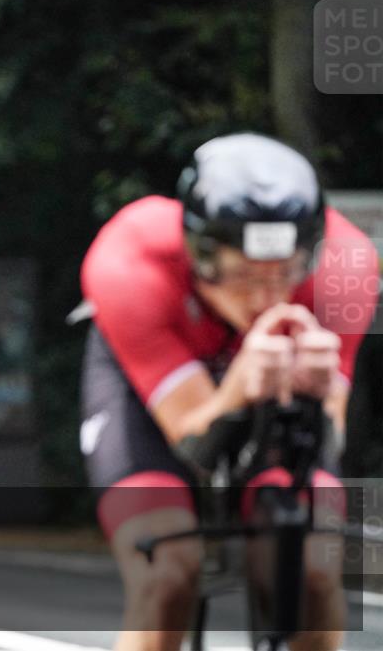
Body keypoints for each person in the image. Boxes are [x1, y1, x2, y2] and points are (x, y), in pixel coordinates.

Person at [79, 132, 379, 651]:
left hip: (276, 394)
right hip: (153, 402)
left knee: (312, 569)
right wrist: (238, 388)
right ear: (200, 255)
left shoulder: (345, 266)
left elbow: (330, 438)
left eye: (284, 274)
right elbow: (193, 443)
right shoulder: (130, 260)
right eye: (242, 275)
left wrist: (316, 398)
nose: (265, 298)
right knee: (167, 571)